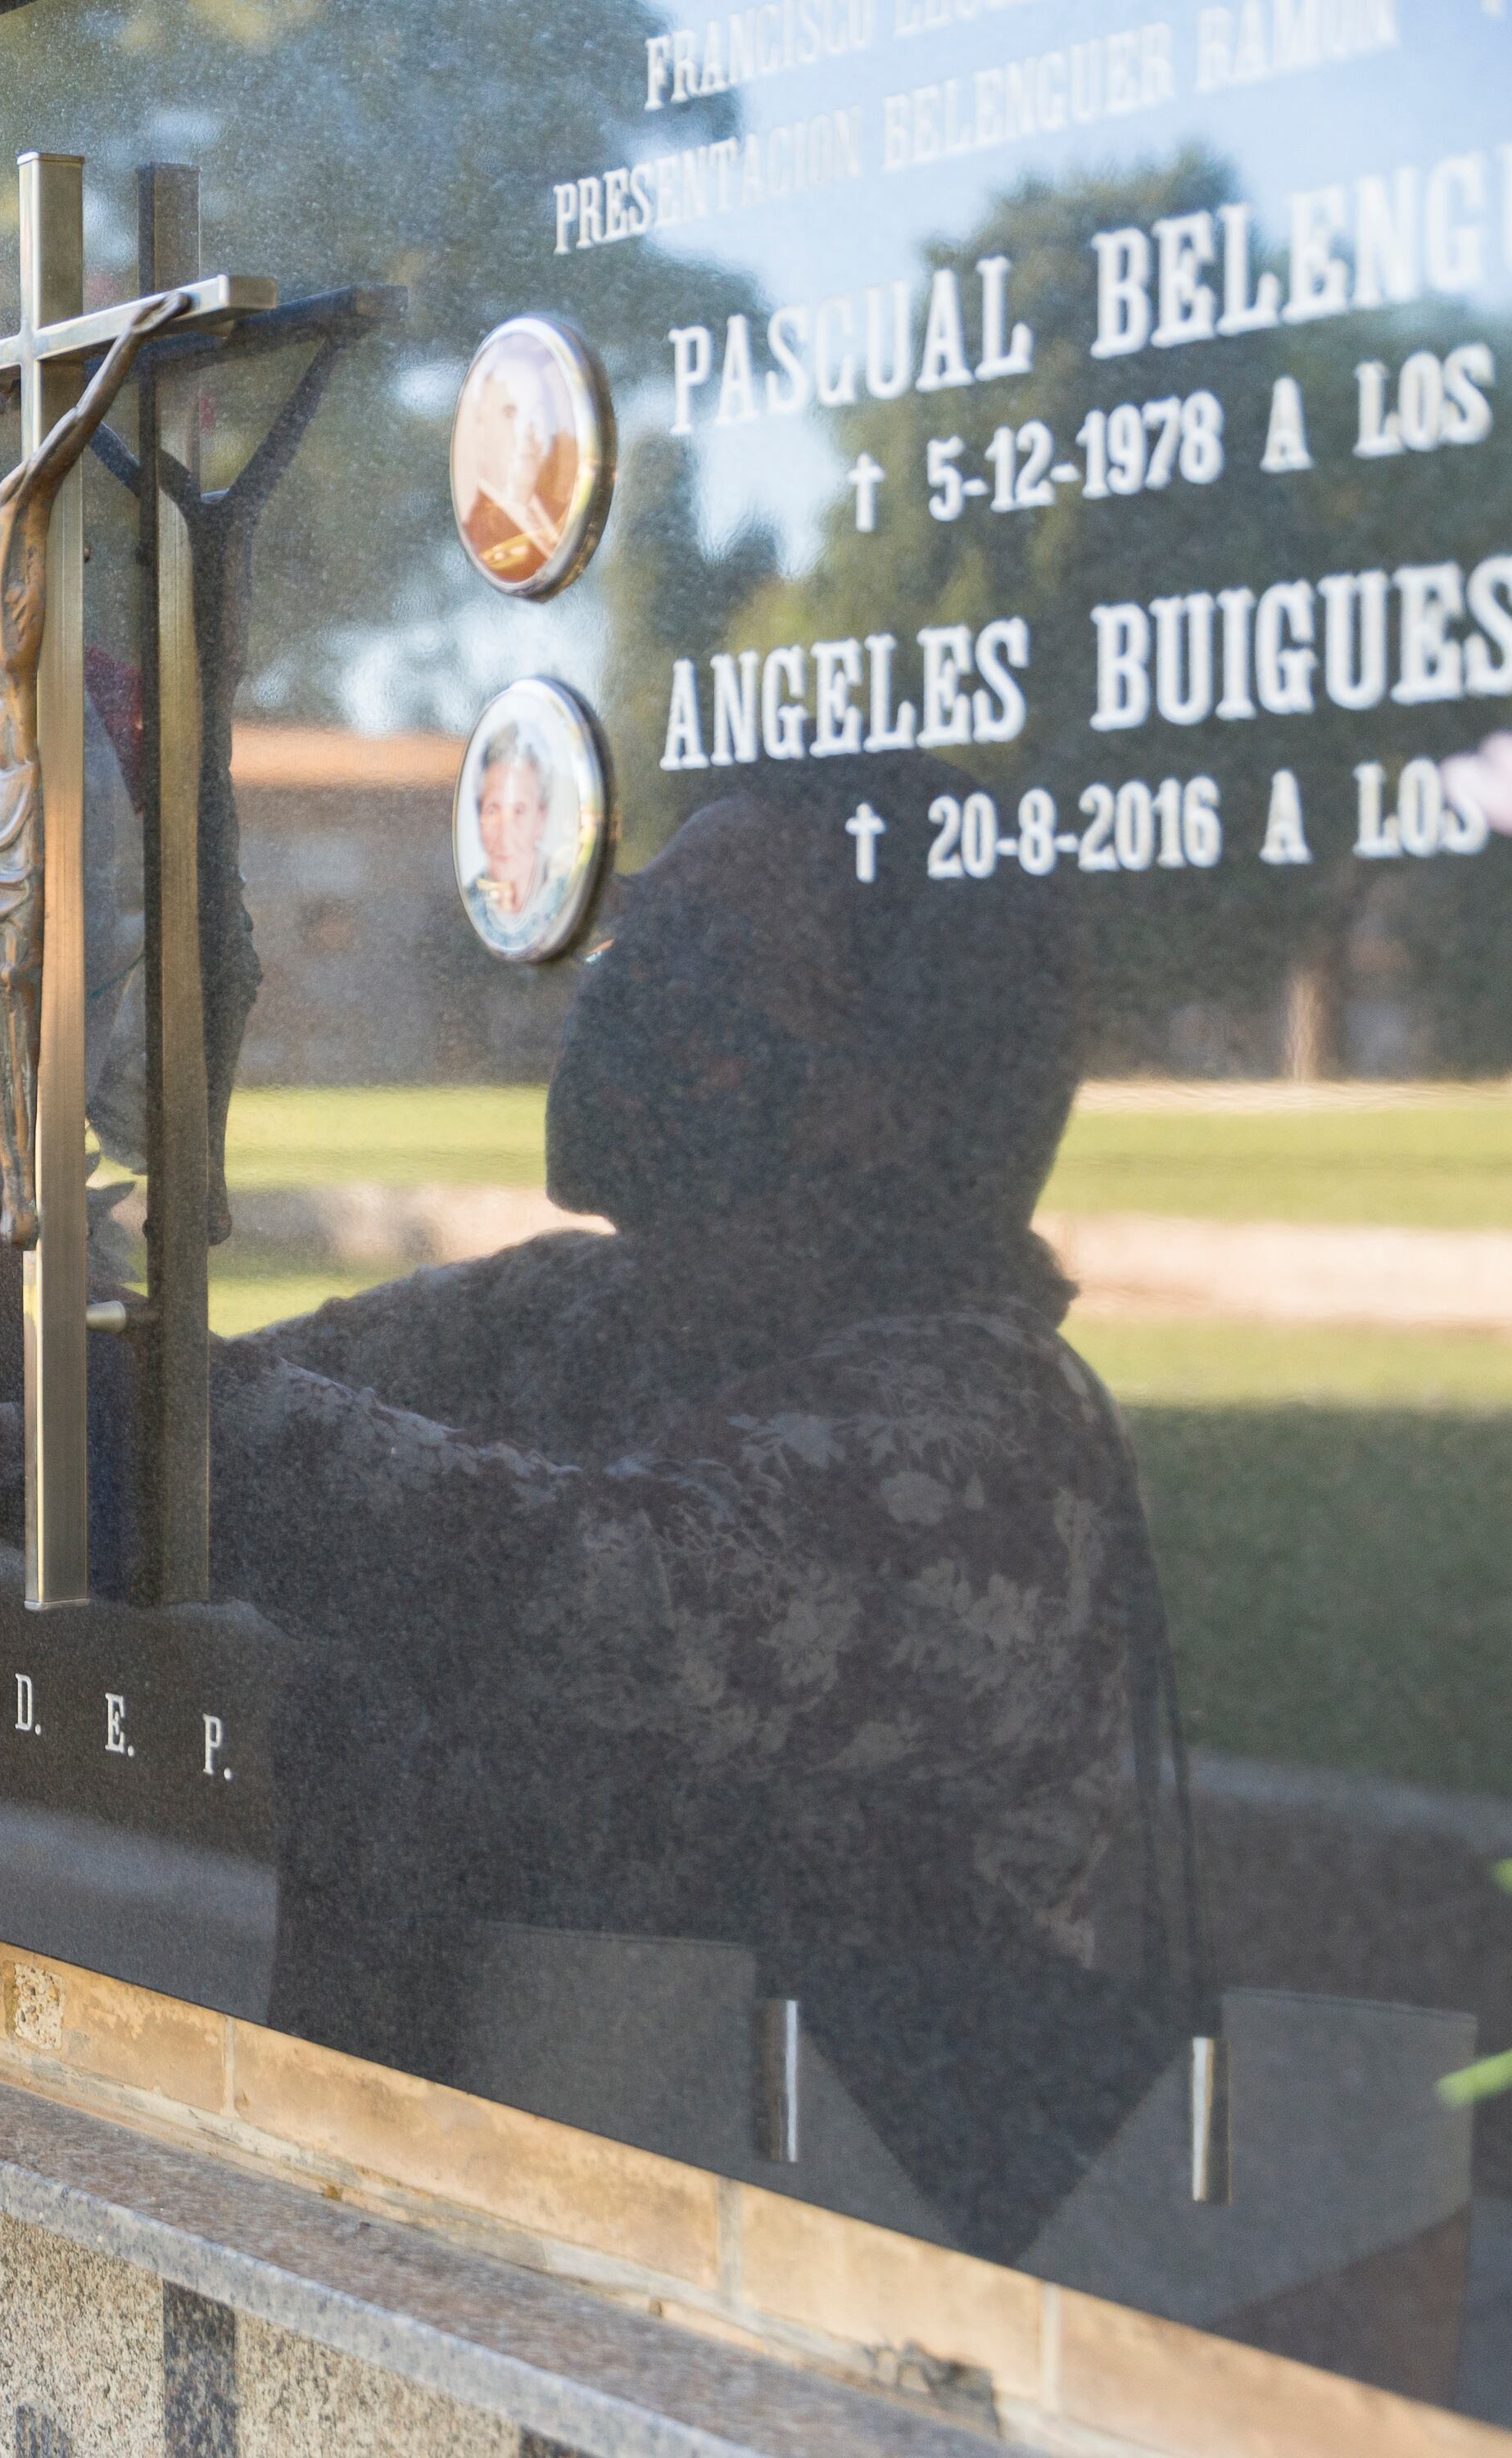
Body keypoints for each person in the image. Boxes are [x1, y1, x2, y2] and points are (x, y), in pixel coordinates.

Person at [215, 755, 1197, 2252]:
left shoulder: (985, 1444)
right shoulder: (590, 1311)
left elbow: (589, 1591)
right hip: (475, 2239)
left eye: (703, 963)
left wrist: (139, 1414)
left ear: (885, 1101)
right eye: (636, 939)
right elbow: (196, 1412)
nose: (620, 989)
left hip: (789, 2322)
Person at [452, 343, 578, 590]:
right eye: (510, 414)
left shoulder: (560, 513)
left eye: (535, 415)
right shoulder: (484, 538)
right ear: (480, 429)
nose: (526, 431)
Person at [461, 722, 559, 949]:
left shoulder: (568, 897)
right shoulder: (464, 910)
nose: (505, 836)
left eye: (519, 811)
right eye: (493, 810)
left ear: (541, 819)